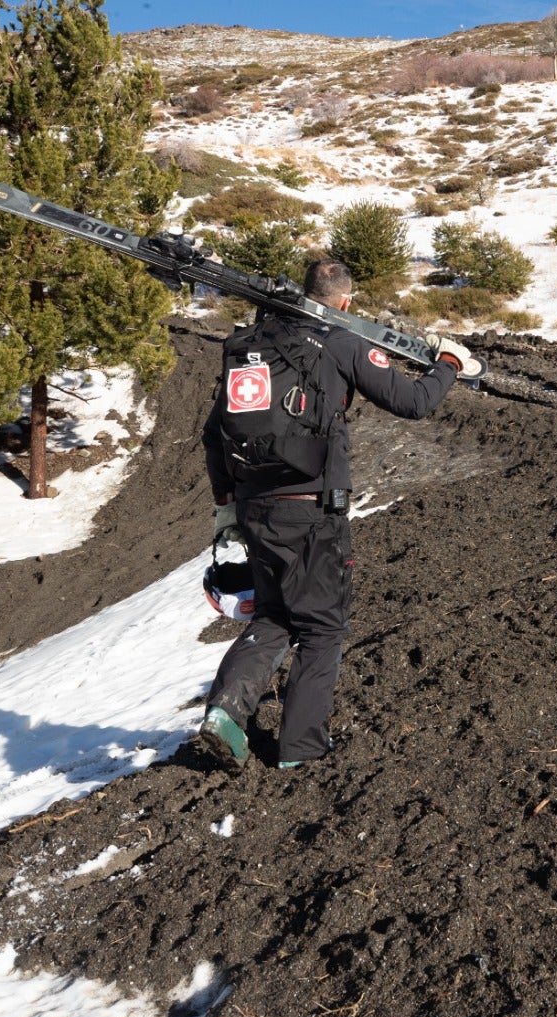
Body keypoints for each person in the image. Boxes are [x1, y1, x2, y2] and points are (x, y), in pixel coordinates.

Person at [196, 259, 482, 769]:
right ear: (346, 302)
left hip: (255, 508)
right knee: (324, 627)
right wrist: (450, 364)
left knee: (275, 615)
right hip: (312, 511)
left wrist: (226, 509)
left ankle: (224, 713)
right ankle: (301, 751)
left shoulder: (249, 349)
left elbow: (213, 433)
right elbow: (415, 402)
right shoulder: (341, 340)